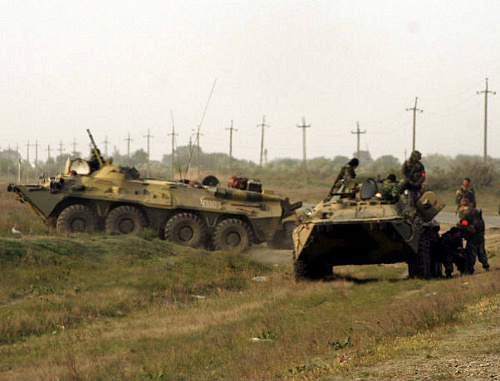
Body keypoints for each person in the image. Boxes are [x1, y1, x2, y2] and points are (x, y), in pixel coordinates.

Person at [458, 200, 490, 274]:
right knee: (482, 252)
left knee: (471, 254)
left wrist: (459, 226)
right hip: (480, 236)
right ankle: (486, 266)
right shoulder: (477, 212)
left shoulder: (466, 214)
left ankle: (470, 269)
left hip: (472, 238)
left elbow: (464, 225)